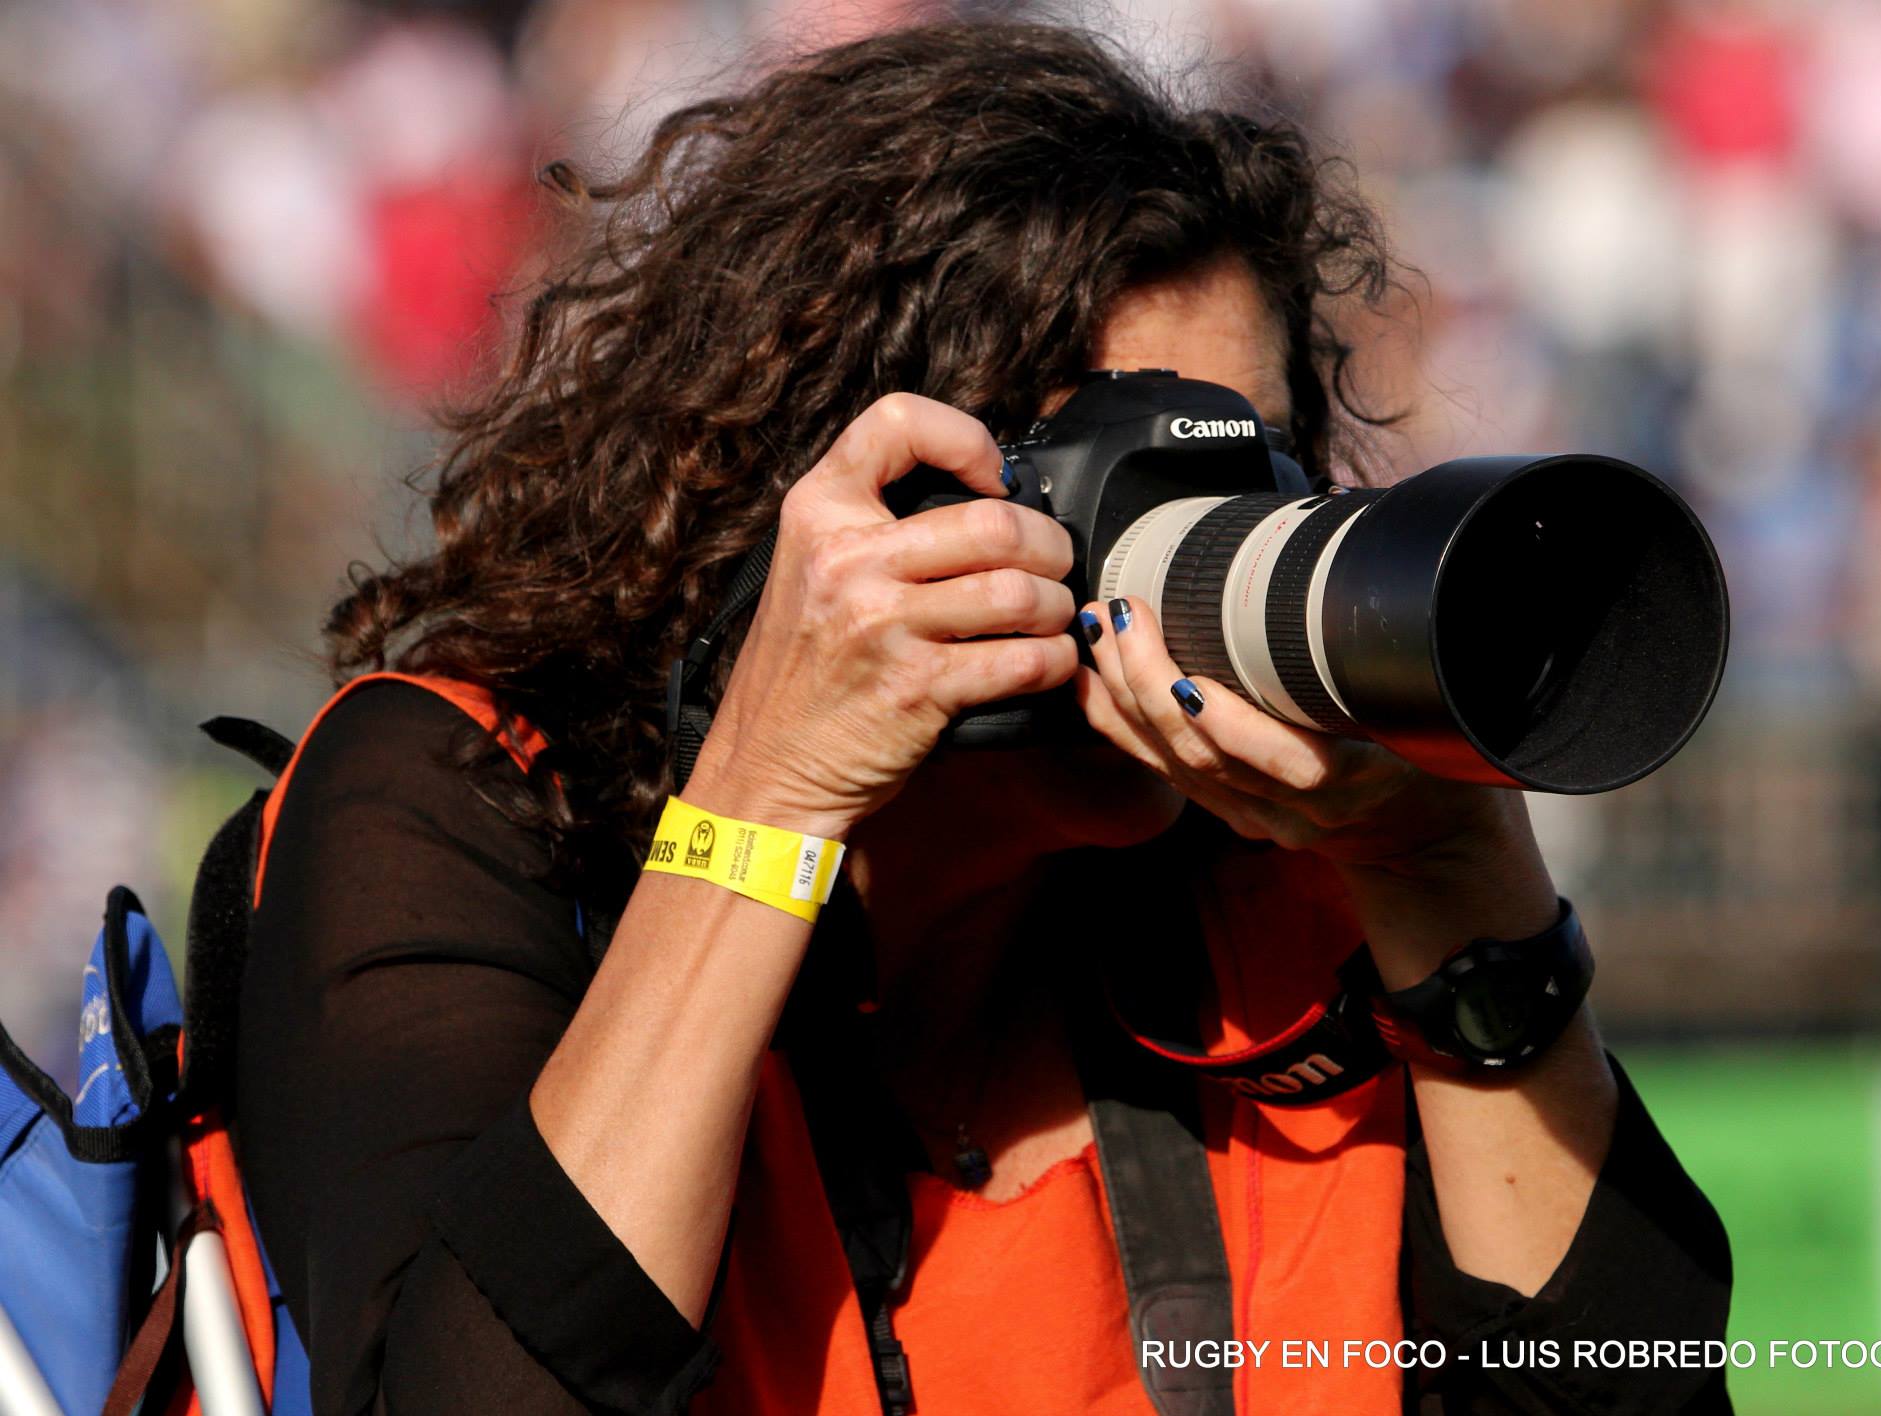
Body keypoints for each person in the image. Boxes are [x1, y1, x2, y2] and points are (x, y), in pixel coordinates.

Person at [234, 21, 1731, 1415]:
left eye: (1245, 467)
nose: (1192, 544)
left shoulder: (1297, 878)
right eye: (1119, 470)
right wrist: (769, 793)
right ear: (831, 488)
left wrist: (1454, 877)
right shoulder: (462, 807)